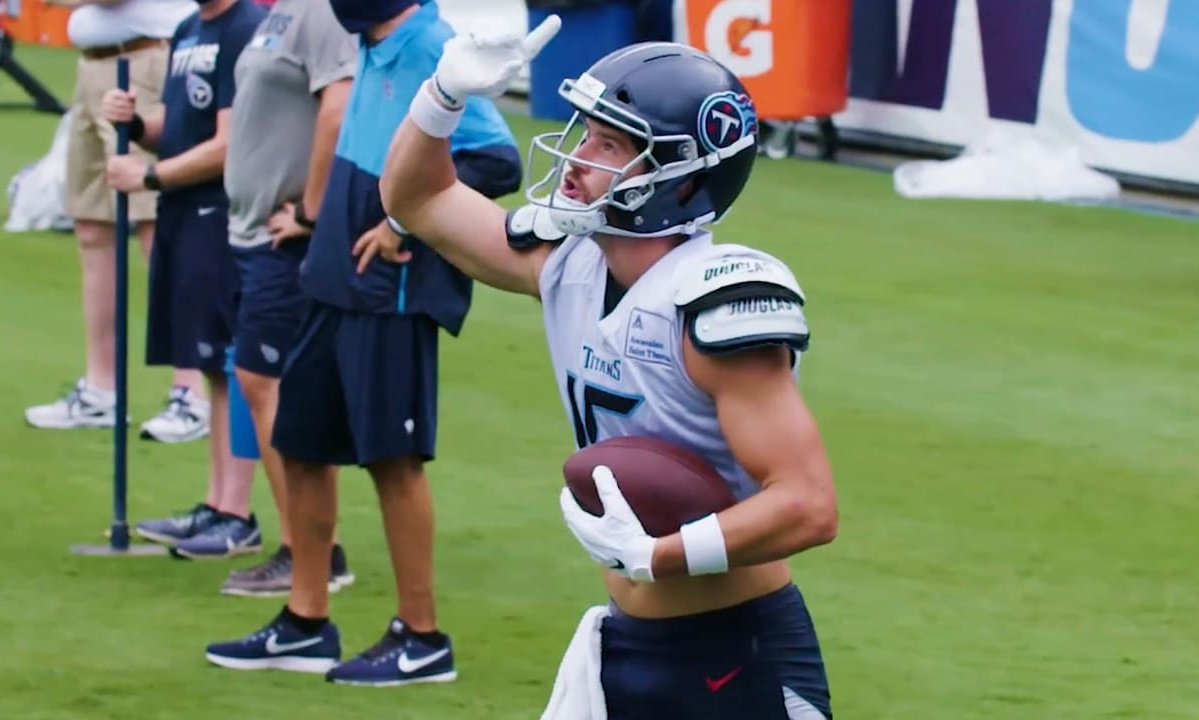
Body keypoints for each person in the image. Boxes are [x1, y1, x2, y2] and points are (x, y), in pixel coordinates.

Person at [377, 19, 838, 719]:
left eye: (610, 144)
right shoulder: (568, 264)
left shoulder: (713, 303)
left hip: (735, 654)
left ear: (681, 180)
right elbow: (419, 201)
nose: (577, 157)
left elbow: (808, 505)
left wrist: (660, 556)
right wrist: (441, 96)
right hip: (625, 640)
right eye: (586, 134)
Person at [203, 0, 523, 686]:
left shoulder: (433, 45)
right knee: (301, 445)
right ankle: (306, 622)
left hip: (390, 292)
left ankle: (423, 637)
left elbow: (497, 160)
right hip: (333, 279)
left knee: (392, 459)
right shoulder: (372, 46)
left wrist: (402, 227)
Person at [100, 0, 268, 554]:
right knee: (210, 365)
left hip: (218, 213)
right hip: (183, 213)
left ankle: (237, 511)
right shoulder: (188, 29)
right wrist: (138, 123)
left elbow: (228, 143)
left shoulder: (245, 27)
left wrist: (149, 175)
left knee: (228, 360)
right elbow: (179, 126)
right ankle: (217, 503)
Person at [211, 0, 356, 590]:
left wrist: (313, 210)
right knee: (262, 386)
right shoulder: (279, 13)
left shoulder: (320, 12)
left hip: (284, 243)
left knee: (271, 387)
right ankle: (305, 547)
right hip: (252, 236)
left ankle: (310, 552)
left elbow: (339, 106)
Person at [26, 0, 198, 436]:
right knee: (92, 225)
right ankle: (102, 391)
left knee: (152, 223)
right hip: (94, 68)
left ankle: (191, 390)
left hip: (141, 64)